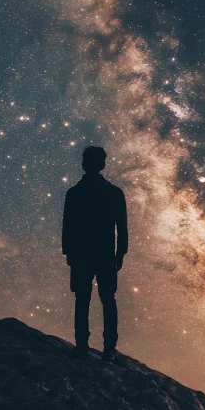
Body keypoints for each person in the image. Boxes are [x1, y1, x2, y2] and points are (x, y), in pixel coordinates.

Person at [62, 146, 128, 362]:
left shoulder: (74, 193)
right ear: (102, 165)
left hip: (83, 255)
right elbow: (122, 228)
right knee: (107, 300)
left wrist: (69, 253)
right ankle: (109, 348)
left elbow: (68, 226)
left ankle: (82, 345)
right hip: (105, 255)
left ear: (84, 164)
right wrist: (120, 254)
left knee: (83, 299)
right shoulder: (114, 193)